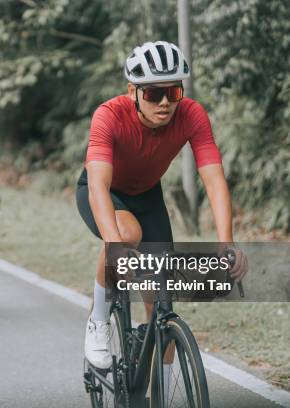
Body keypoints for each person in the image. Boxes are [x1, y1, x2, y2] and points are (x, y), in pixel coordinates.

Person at [76, 41, 248, 370]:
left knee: (162, 306)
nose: (166, 102)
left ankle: (155, 385)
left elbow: (213, 179)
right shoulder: (108, 115)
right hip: (102, 191)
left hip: (147, 196)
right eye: (154, 94)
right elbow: (98, 183)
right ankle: (98, 319)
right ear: (133, 91)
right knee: (127, 233)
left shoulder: (192, 115)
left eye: (174, 92)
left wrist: (227, 241)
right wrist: (113, 244)